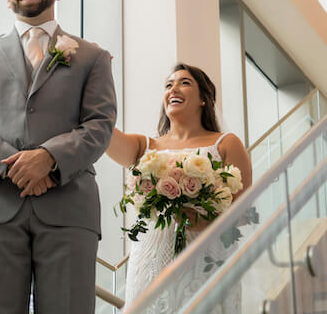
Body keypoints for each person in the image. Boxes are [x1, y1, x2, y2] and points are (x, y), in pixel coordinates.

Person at [0, 0, 117, 314]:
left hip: (69, 206)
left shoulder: (93, 57)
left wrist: (49, 159)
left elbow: (100, 123)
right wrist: (16, 167)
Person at [106, 63, 252, 312]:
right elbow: (103, 133)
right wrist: (100, 79)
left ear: (204, 99)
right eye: (168, 84)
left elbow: (242, 212)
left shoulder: (225, 143)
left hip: (203, 257)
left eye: (184, 82)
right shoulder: (145, 146)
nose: (174, 88)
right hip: (150, 257)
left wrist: (200, 217)